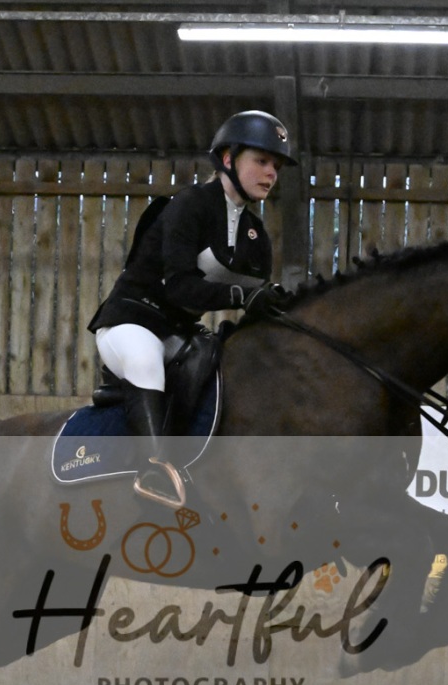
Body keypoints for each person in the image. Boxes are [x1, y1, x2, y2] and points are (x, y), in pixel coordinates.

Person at [88, 110, 297, 506]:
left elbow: (256, 299)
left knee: (218, 364)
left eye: (277, 166)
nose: (271, 173)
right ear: (228, 159)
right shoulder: (190, 205)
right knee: (145, 360)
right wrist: (241, 296)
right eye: (262, 161)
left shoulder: (256, 235)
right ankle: (153, 471)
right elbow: (181, 287)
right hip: (130, 321)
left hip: (178, 332)